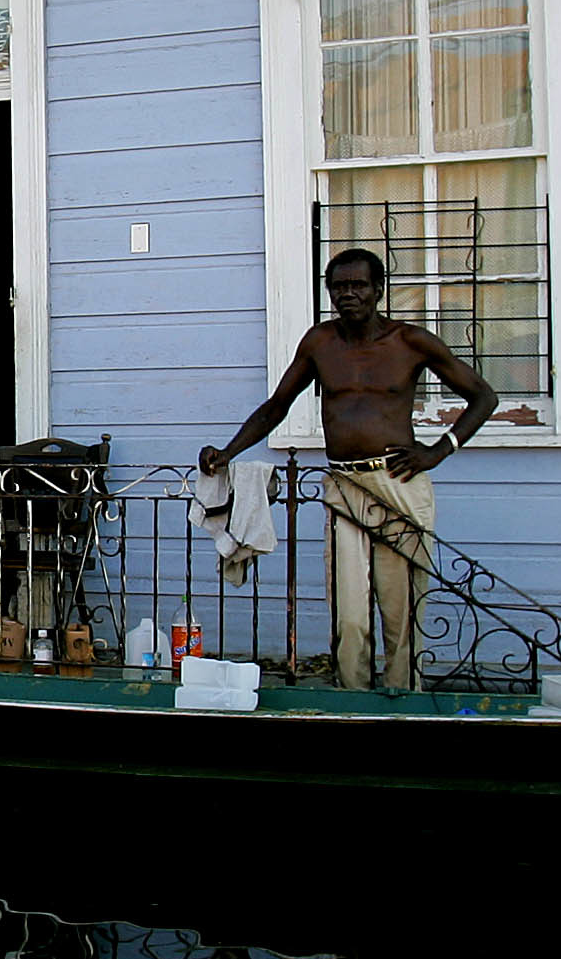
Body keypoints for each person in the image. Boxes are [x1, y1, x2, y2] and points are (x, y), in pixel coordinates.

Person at [201, 248, 499, 691]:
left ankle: (403, 700)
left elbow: (483, 397)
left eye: (358, 285)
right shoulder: (320, 343)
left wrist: (438, 451)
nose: (348, 294)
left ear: (379, 290)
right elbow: (277, 406)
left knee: (401, 609)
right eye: (339, 287)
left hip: (398, 482)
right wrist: (228, 452)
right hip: (344, 484)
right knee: (349, 613)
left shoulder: (410, 341)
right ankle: (352, 698)